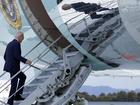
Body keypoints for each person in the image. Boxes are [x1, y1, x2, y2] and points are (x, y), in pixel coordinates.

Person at [3, 31, 32, 105]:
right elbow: (17, 55)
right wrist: (26, 61)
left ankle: (18, 95)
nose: (22, 40)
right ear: (20, 37)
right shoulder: (16, 44)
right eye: (22, 39)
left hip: (11, 67)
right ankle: (10, 102)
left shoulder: (10, 43)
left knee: (23, 77)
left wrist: (9, 62)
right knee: (14, 84)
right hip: (14, 68)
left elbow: (5, 56)